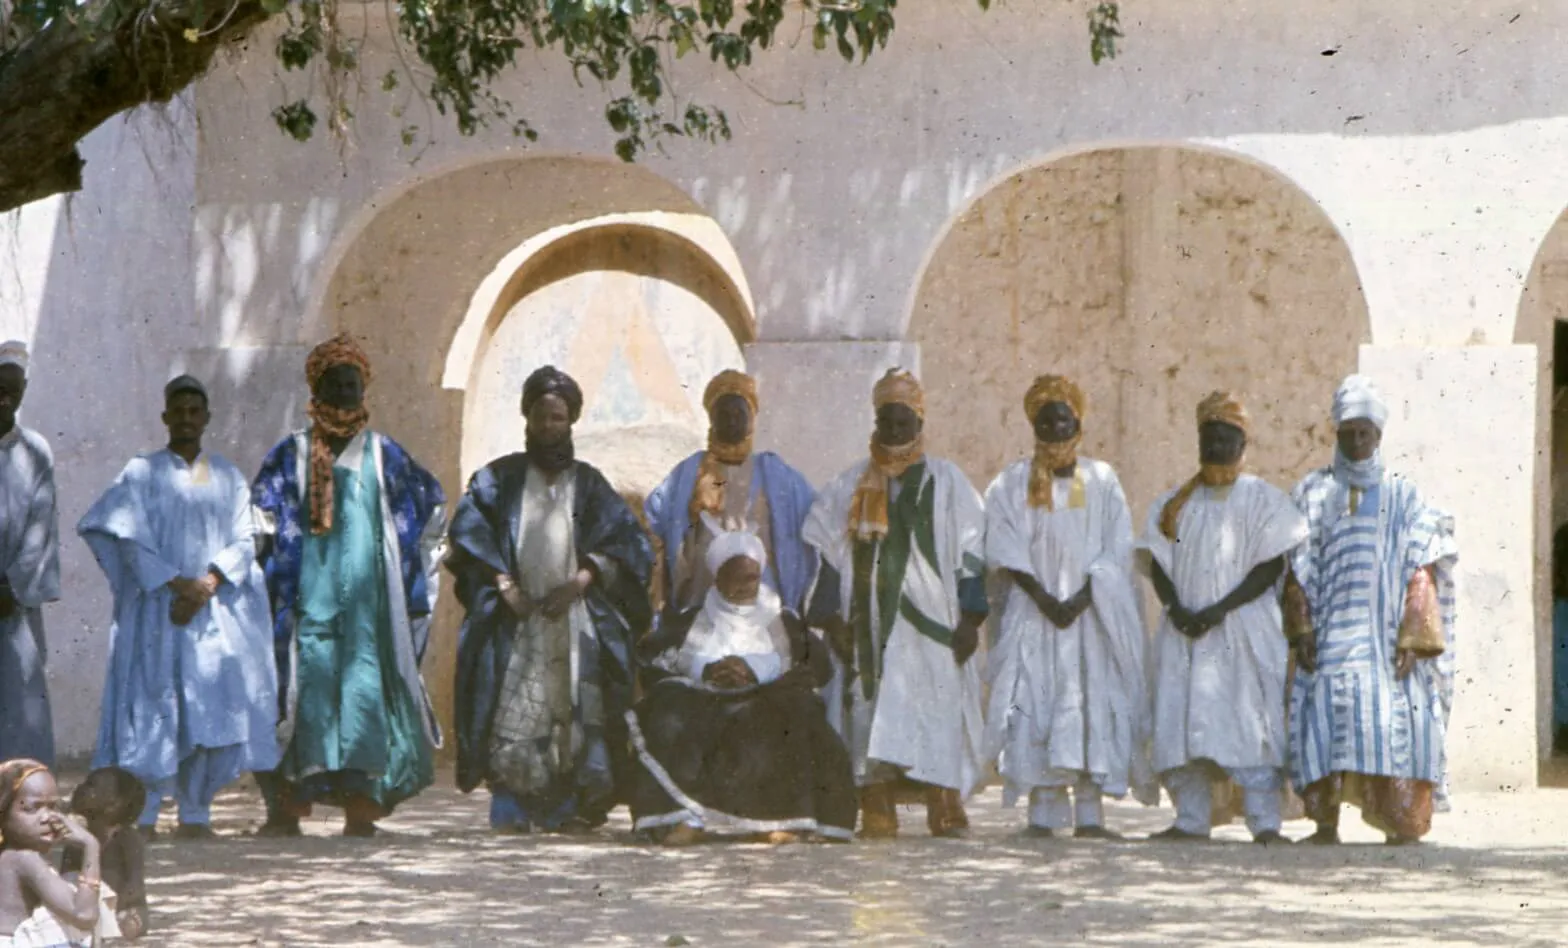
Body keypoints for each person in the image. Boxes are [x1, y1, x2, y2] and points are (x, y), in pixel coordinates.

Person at [251, 334, 447, 837]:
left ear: (365, 389)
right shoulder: (291, 454)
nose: (344, 393)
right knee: (303, 695)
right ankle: (288, 808)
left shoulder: (385, 456)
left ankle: (361, 808)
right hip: (305, 603)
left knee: (363, 697)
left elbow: (429, 507)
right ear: (317, 388)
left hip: (367, 610)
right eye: (335, 383)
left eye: (352, 384)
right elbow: (260, 520)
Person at [448, 366, 654, 834]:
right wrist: (504, 586)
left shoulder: (590, 483)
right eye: (541, 416)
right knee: (513, 708)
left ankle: (570, 810)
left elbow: (630, 543)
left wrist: (581, 580)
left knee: (575, 710)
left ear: (571, 422)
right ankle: (512, 807)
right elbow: (468, 533)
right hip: (516, 618)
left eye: (558, 418)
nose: (548, 427)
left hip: (573, 618)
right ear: (527, 418)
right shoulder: (498, 480)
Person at [78, 376, 279, 841]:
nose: (187, 420)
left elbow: (244, 539)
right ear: (165, 416)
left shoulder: (227, 475)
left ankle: (195, 813)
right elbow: (124, 536)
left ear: (206, 418)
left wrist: (207, 584)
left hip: (212, 613)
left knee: (206, 708)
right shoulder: (141, 473)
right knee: (153, 704)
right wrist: (176, 585)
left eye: (195, 411)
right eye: (179, 411)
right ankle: (143, 813)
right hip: (158, 610)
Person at [802, 368, 988, 839]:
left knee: (937, 707)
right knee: (870, 707)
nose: (895, 431)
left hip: (933, 622)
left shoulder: (948, 482)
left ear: (919, 423)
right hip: (869, 621)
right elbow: (824, 551)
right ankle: (876, 804)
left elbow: (972, 551)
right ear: (875, 422)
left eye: (904, 422)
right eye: (887, 420)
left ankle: (943, 804)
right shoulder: (849, 484)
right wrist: (831, 620)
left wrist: (970, 618)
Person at [1286, 375, 1458, 845]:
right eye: (1348, 433)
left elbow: (1422, 566)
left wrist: (1413, 636)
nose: (1357, 441)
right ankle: (1325, 825)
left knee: (1391, 724)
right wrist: (1302, 631)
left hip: (1385, 643)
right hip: (1332, 637)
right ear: (1336, 435)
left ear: (1378, 436)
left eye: (1365, 432)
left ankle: (1399, 825)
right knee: (1326, 722)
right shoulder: (1313, 492)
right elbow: (1297, 569)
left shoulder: (1404, 495)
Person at [983, 376, 1155, 839]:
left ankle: (1091, 816)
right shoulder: (1013, 481)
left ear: (1079, 421)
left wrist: (1082, 599)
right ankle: (1041, 814)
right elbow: (1001, 542)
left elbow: (1117, 544)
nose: (1056, 426)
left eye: (1064, 417)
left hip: (1088, 618)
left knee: (1088, 705)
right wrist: (1041, 598)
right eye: (1046, 418)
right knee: (1036, 703)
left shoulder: (1100, 480)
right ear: (1033, 423)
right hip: (1034, 615)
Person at [1139, 392, 1307, 845]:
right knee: (1183, 720)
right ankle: (1191, 820)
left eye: (1226, 438)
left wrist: (1219, 609)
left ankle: (1265, 824)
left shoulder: (1263, 500)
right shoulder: (1173, 505)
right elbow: (1156, 563)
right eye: (1209, 438)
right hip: (1185, 630)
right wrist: (1176, 609)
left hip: (1242, 630)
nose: (1217, 447)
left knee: (1249, 723)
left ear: (1243, 444)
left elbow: (1271, 566)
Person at [628, 520, 856, 845]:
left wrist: (755, 669)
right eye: (736, 575)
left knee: (796, 708)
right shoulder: (691, 618)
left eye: (753, 575)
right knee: (668, 703)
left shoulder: (782, 618)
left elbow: (817, 666)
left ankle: (782, 819)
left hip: (766, 697)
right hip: (706, 698)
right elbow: (654, 658)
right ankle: (685, 817)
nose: (747, 583)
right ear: (718, 576)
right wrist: (706, 670)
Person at [644, 369, 819, 615]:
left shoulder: (777, 474)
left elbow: (817, 523)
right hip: (702, 602)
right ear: (711, 418)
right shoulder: (688, 472)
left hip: (763, 606)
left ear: (752, 417)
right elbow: (654, 520)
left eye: (739, 413)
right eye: (723, 414)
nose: (732, 421)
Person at [0, 342, 59, 767]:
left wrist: (11, 586)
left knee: (22, 703)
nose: (5, 397)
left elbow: (41, 525)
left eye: (13, 390)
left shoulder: (35, 452)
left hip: (13, 601)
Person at [0, 759, 115, 947]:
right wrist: (90, 845)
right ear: (3, 814)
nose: (47, 818)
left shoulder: (8, 855)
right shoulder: (25, 858)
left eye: (52, 807)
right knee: (84, 898)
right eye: (32, 808)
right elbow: (84, 915)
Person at [65, 768, 147, 939]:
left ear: (113, 804)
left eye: (91, 785)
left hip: (121, 907)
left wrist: (116, 906)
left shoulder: (127, 838)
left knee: (131, 922)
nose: (81, 788)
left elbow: (135, 883)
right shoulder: (78, 837)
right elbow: (65, 875)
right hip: (86, 906)